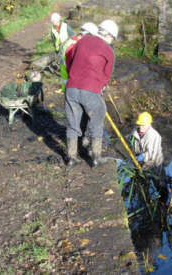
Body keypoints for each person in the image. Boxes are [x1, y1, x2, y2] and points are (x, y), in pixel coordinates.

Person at [64, 19, 119, 168]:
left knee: (72, 124)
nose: (112, 41)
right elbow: (106, 76)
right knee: (97, 121)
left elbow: (70, 59)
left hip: (71, 88)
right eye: (112, 38)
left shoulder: (82, 41)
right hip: (91, 90)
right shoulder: (108, 51)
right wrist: (98, 86)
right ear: (108, 35)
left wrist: (73, 77)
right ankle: (96, 157)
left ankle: (71, 158)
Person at [59, 22, 98, 92]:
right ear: (87, 34)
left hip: (68, 83)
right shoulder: (75, 46)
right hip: (72, 86)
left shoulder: (71, 41)